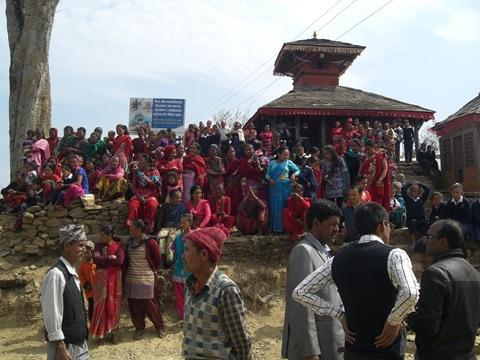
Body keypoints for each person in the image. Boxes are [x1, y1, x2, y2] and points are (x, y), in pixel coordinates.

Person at [293, 202, 419, 360]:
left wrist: (339, 315)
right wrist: (394, 321)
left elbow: (300, 292)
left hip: (354, 349)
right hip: (387, 349)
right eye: (390, 226)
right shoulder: (395, 255)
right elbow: (411, 293)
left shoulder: (338, 259)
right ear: (383, 225)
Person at [406, 219, 480, 360]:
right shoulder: (474, 273)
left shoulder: (436, 273)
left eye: (430, 236)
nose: (426, 240)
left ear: (443, 241)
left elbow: (428, 327)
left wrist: (408, 315)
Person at [282, 200, 345, 360]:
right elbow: (300, 306)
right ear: (316, 223)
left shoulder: (323, 251)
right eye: (332, 225)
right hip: (314, 350)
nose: (337, 230)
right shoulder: (304, 252)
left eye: (338, 225)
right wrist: (310, 352)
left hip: (328, 343)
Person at [182, 227, 251, 359]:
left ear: (203, 255)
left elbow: (241, 344)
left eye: (187, 250)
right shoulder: (190, 284)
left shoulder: (226, 291)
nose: (183, 256)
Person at [41, 224, 89, 360]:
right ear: (67, 245)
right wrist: (61, 347)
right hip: (65, 347)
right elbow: (52, 312)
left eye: (84, 245)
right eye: (80, 245)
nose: (84, 249)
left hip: (79, 344)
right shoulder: (56, 274)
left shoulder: (71, 272)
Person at [124, 219, 165, 340]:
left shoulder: (150, 242)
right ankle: (139, 327)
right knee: (134, 304)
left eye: (132, 227)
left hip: (146, 277)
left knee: (150, 304)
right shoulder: (130, 242)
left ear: (138, 229)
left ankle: (159, 326)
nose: (130, 229)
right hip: (132, 277)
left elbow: (157, 259)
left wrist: (150, 271)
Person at [90, 225, 125, 342]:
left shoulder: (119, 246)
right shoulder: (98, 246)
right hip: (101, 280)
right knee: (100, 304)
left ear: (110, 236)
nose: (101, 238)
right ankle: (101, 334)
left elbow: (120, 261)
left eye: (103, 235)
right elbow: (95, 259)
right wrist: (109, 257)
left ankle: (113, 333)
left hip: (114, 279)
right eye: (100, 235)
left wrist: (104, 259)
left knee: (114, 304)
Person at [266, 148, 300, 232]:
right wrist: (270, 179)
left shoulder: (289, 163)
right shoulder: (272, 163)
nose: (287, 156)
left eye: (288, 154)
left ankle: (285, 227)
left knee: (284, 205)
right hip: (274, 187)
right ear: (279, 154)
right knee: (274, 206)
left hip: (285, 187)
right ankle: (275, 227)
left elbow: (298, 170)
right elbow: (267, 174)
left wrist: (294, 175)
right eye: (285, 154)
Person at [127, 154, 161, 234]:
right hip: (139, 194)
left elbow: (156, 185)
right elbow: (134, 187)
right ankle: (132, 228)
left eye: (141, 160)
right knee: (133, 205)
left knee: (152, 205)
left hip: (151, 194)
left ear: (147, 162)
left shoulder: (154, 171)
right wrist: (139, 196)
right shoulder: (137, 172)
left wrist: (146, 180)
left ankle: (148, 229)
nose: (139, 162)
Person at [171, 213, 193, 320]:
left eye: (185, 222)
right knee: (179, 295)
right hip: (179, 269)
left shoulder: (195, 237)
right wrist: (173, 265)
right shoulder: (178, 238)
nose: (182, 224)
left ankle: (191, 315)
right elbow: (175, 254)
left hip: (191, 270)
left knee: (191, 293)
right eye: (181, 222)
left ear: (190, 223)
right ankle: (183, 315)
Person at [360, 140, 390, 211]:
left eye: (369, 149)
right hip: (367, 183)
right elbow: (361, 170)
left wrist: (380, 179)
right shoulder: (365, 158)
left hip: (377, 183)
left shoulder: (380, 156)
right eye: (366, 149)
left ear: (374, 148)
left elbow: (385, 168)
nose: (367, 151)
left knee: (377, 203)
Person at [78, 241, 96, 322]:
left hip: (98, 291)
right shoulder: (82, 265)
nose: (87, 253)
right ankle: (92, 323)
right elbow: (80, 276)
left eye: (89, 251)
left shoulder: (96, 264)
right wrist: (85, 284)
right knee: (91, 307)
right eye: (86, 252)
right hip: (90, 292)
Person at [224, 146, 242, 216]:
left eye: (233, 152)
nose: (233, 153)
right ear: (226, 153)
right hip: (226, 185)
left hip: (236, 185)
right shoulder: (223, 161)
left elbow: (240, 173)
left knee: (236, 202)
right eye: (231, 152)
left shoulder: (237, 162)